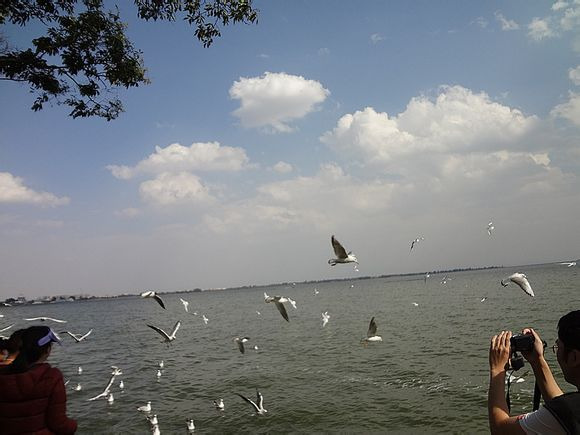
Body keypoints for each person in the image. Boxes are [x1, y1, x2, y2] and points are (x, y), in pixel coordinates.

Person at [488, 310, 580, 434]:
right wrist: (537, 360)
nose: (557, 352)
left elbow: (500, 429)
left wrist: (497, 369)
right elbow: (564, 411)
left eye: (558, 347)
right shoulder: (571, 409)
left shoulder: (572, 411)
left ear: (574, 357)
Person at [0, 326, 77, 434]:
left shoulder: (3, 374)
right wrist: (73, 426)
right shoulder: (51, 377)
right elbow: (58, 424)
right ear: (47, 350)